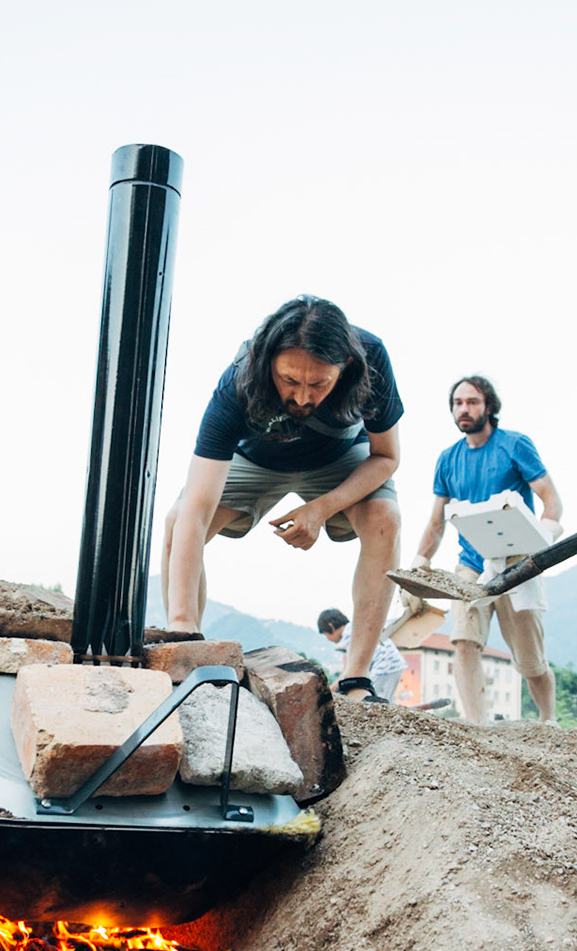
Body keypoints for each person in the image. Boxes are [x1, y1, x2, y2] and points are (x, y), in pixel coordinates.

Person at [162, 296, 403, 701]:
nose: (304, 398)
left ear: (344, 365)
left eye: (319, 384)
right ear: (269, 361)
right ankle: (185, 643)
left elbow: (387, 457)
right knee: (176, 520)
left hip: (339, 458)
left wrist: (322, 507)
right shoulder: (239, 379)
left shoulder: (371, 359)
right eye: (290, 381)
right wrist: (183, 631)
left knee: (386, 519)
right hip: (256, 458)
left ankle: (357, 679)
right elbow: (197, 509)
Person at [413, 376, 563, 723]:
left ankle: (549, 720)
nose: (464, 409)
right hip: (471, 561)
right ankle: (478, 726)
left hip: (516, 561)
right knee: (463, 641)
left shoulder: (514, 445)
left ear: (489, 406)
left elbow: (550, 499)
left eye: (472, 402)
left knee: (529, 659)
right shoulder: (448, 459)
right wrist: (420, 562)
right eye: (458, 403)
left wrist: (547, 534)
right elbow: (437, 522)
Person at [317, 607, 405, 704]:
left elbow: (348, 671)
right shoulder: (355, 628)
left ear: (331, 626)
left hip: (383, 666)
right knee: (387, 698)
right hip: (394, 663)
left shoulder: (349, 634)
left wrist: (328, 692)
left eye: (325, 634)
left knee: (375, 702)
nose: (328, 639)